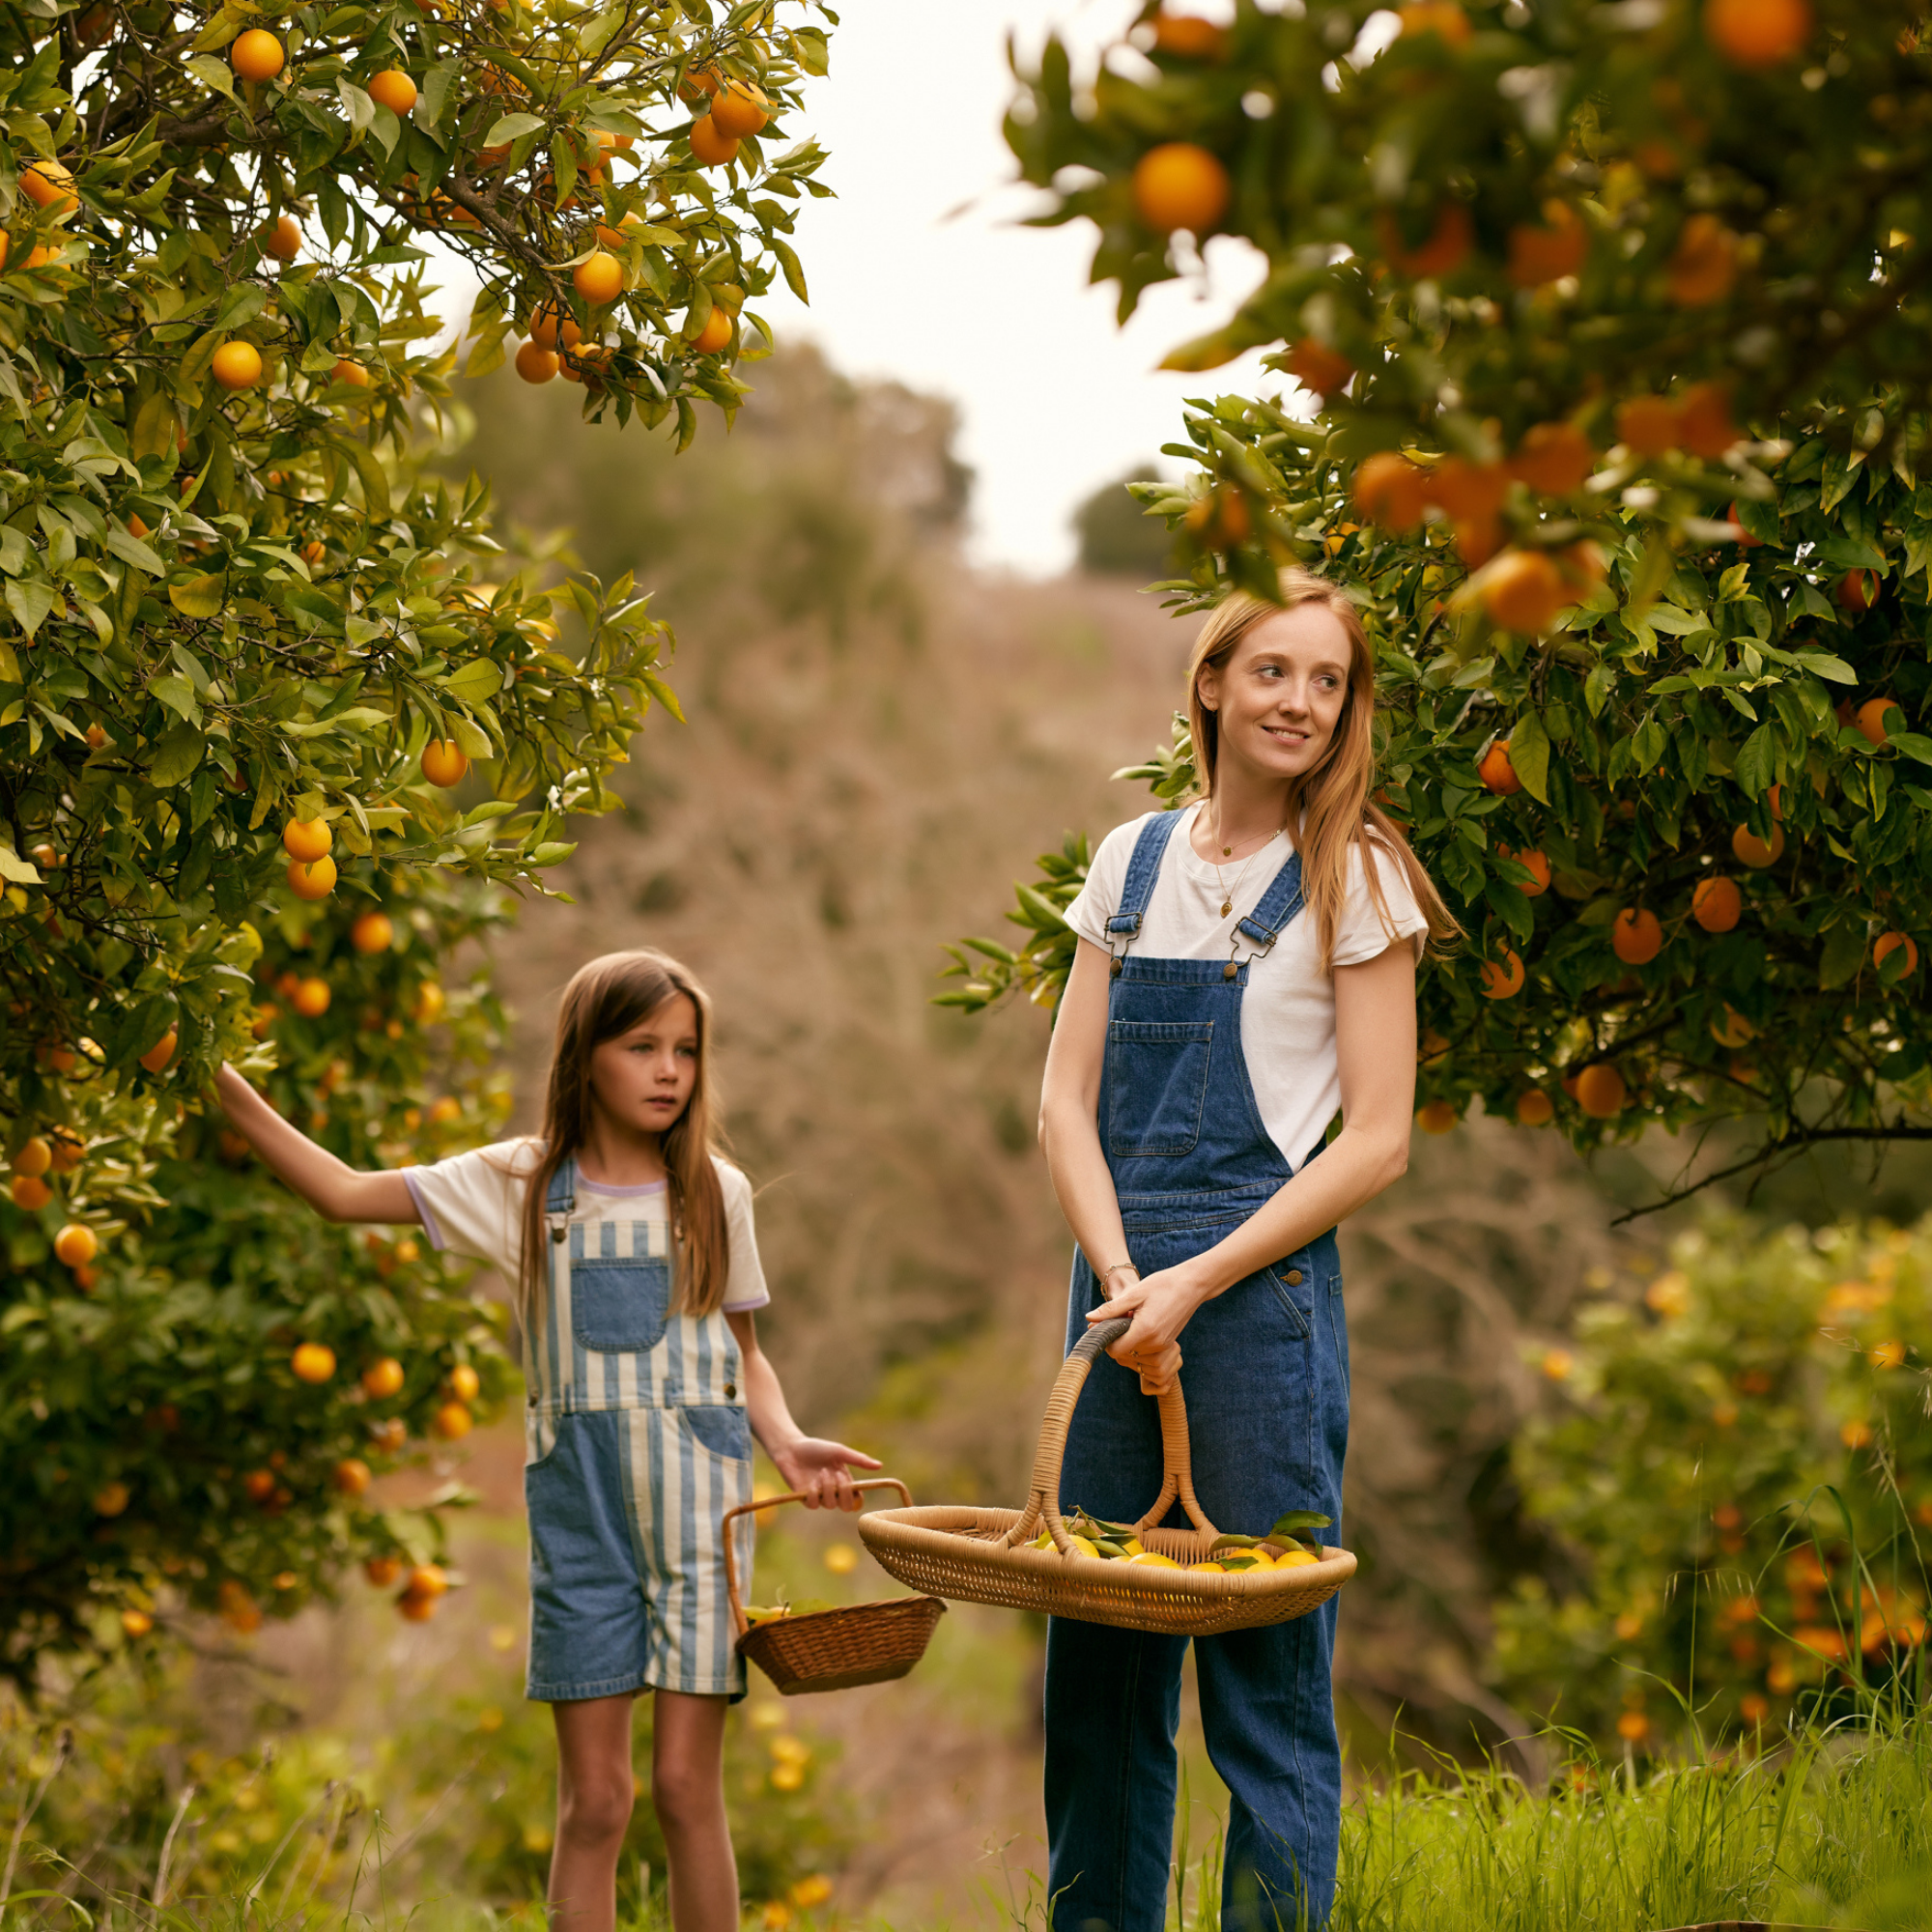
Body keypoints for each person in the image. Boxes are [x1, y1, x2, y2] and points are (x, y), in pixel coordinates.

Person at [213, 949, 878, 1932]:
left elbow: (743, 1348)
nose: (668, 1070)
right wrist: (208, 1065)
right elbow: (345, 1192)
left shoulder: (713, 1190)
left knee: (687, 1790)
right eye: (640, 1045)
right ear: (585, 1056)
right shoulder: (520, 1183)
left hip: (704, 1520)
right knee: (596, 1799)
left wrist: (783, 1439)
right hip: (581, 1526)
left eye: (685, 1050)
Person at [1036, 569, 1457, 1931]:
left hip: (1260, 1305)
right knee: (1099, 1686)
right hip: (1114, 1303)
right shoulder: (1129, 863)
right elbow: (1061, 1101)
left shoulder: (1360, 874)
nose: (1301, 702)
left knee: (1268, 1695)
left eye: (1328, 682)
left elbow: (1377, 1138)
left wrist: (1195, 1281)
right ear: (1213, 684)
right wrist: (1120, 1285)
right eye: (1275, 672)